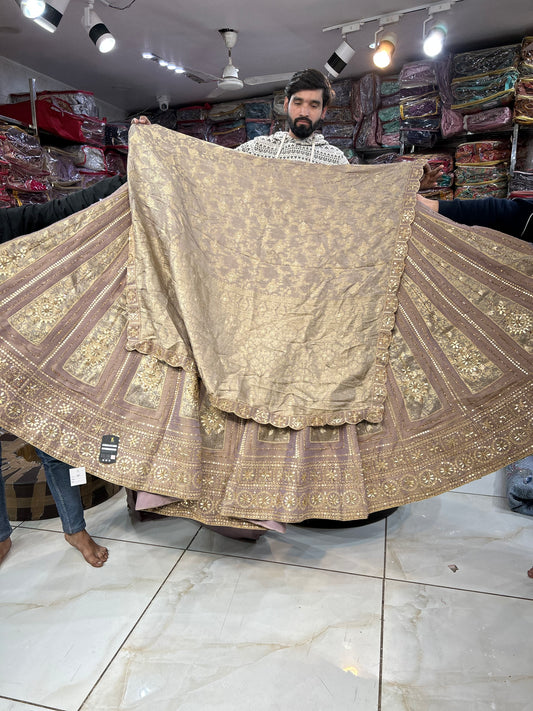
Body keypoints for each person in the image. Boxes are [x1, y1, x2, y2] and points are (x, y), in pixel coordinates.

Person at [0, 175, 126, 566]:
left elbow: (60, 211)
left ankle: (75, 529)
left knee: (54, 444)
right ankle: (1, 536)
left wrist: (122, 179)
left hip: (21, 355)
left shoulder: (5, 224)